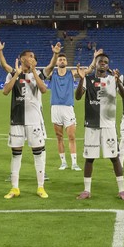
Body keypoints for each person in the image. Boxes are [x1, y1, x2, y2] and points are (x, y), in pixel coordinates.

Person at [0, 38, 50, 199]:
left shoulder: (38, 74)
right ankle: (15, 188)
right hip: (17, 120)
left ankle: (41, 187)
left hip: (34, 121)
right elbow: (5, 91)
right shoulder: (14, 73)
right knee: (16, 154)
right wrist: (1, 53)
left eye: (33, 57)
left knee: (38, 153)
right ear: (23, 59)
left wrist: (33, 71)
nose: (33, 59)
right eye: (30, 56)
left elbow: (43, 89)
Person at [73, 53, 124, 200]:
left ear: (108, 65)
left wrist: (118, 82)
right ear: (96, 64)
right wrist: (81, 80)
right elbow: (78, 96)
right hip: (91, 124)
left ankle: (122, 190)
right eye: (100, 62)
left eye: (105, 62)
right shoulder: (88, 79)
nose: (103, 64)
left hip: (108, 125)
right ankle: (86, 190)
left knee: (114, 157)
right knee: (89, 158)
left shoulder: (113, 79)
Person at [40, 42, 82, 171]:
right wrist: (55, 54)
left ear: (66, 62)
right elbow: (47, 69)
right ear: (57, 62)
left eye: (64, 59)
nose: (62, 61)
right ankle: (63, 162)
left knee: (71, 136)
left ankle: (74, 163)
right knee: (59, 137)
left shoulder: (71, 73)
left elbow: (89, 70)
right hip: (55, 108)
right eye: (60, 59)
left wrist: (93, 60)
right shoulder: (52, 75)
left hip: (68, 108)